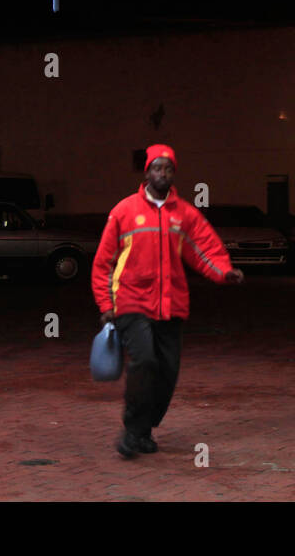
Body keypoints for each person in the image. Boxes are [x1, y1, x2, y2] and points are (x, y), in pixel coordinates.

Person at [91, 144, 244, 458]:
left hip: (171, 303)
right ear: (147, 172)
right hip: (131, 301)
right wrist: (106, 305)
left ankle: (144, 431)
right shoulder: (123, 211)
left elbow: (204, 249)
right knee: (145, 361)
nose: (162, 173)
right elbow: (103, 262)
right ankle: (132, 431)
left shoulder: (184, 214)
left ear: (174, 173)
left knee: (167, 371)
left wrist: (224, 273)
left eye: (168, 168)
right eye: (156, 168)